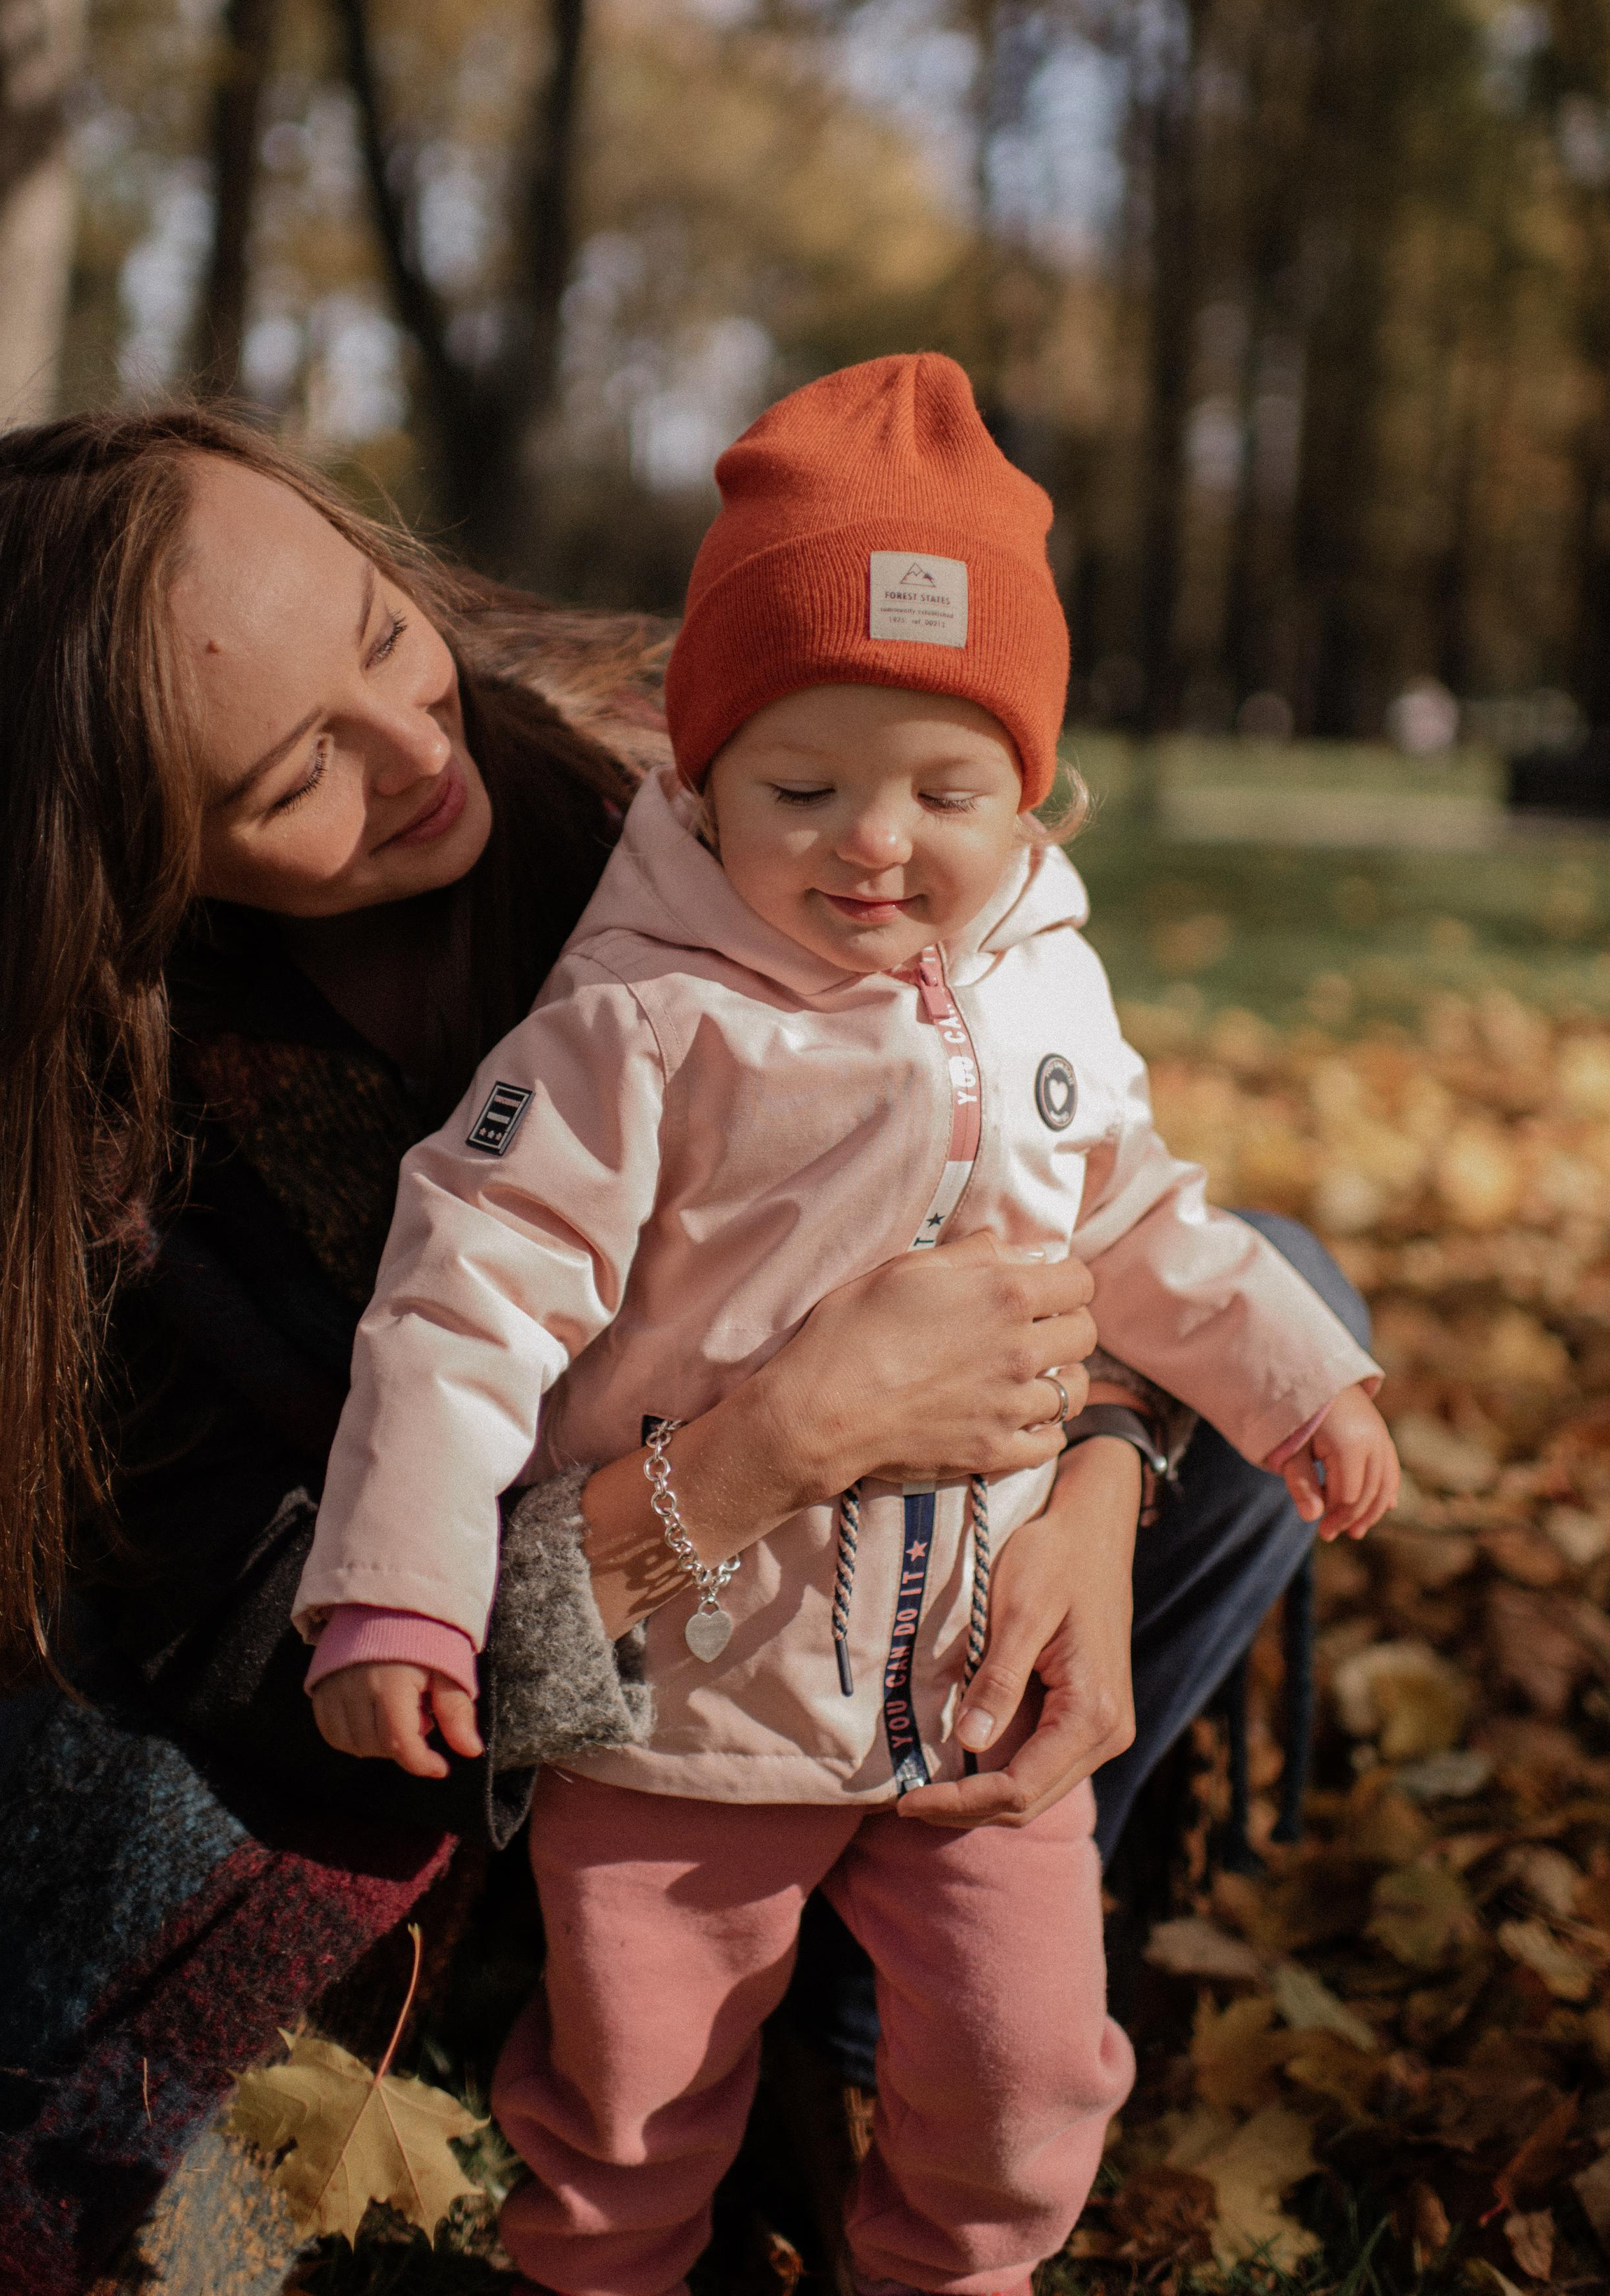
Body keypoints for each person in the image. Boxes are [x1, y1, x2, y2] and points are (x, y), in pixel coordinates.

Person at [0, 407, 1124, 2296]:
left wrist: (1097, 1469)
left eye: (380, 634)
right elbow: (301, 1674)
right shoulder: (108, 1183)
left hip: (869, 1629)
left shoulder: (655, 766)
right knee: (62, 2056)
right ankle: (599, 2055)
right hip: (431, 1731)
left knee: (1274, 1310)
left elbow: (1038, 1123)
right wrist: (778, 1444)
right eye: (294, 777)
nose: (418, 746)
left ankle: (899, 2005)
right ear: (119, 876)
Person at [297, 354, 1398, 2296]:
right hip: (689, 1723)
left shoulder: (1043, 984)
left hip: (965, 1700)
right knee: (631, 2106)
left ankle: (953, 2262)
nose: (875, 844)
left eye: (946, 790)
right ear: (700, 781)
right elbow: (460, 1299)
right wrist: (394, 1588)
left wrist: (1299, 1375)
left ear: (1035, 791)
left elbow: (1139, 1210)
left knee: (1035, 2067)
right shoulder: (639, 1025)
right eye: (803, 787)